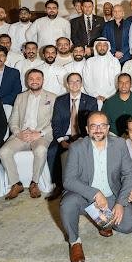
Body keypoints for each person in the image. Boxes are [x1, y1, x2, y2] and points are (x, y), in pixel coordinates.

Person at [60, 111, 132, 262]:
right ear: (87, 129)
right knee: (67, 204)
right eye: (93, 126)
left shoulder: (120, 144)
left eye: (102, 126)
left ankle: (101, 221)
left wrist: (120, 203)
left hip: (111, 196)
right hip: (84, 197)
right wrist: (95, 193)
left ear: (108, 128)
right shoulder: (77, 147)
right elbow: (68, 180)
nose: (98, 130)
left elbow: (128, 174)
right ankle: (75, 242)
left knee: (129, 226)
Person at [0, 69, 56, 200]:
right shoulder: (20, 97)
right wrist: (18, 133)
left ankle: (34, 183)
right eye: (31, 79)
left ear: (43, 80)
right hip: (22, 134)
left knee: (41, 150)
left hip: (40, 135)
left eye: (38, 78)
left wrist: (39, 133)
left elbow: (55, 122)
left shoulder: (53, 97)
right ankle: (16, 184)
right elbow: (13, 119)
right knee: (4, 152)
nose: (34, 81)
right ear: (27, 81)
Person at [47, 72, 98, 200]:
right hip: (65, 136)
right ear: (67, 84)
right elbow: (56, 122)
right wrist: (61, 140)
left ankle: (85, 184)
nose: (74, 84)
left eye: (77, 81)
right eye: (71, 81)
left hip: (83, 136)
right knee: (52, 151)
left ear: (81, 83)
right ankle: (58, 185)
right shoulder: (60, 100)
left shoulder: (91, 101)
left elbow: (93, 124)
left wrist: (81, 139)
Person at [82, 38, 121, 107]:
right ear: (95, 47)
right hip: (92, 97)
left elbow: (117, 81)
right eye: (99, 45)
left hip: (110, 97)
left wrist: (107, 96)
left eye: (105, 45)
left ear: (108, 47)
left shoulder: (115, 61)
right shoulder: (89, 61)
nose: (102, 47)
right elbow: (86, 80)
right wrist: (95, 95)